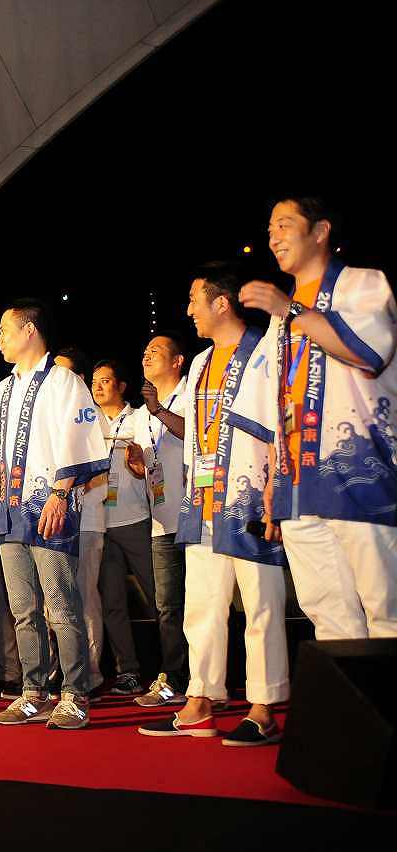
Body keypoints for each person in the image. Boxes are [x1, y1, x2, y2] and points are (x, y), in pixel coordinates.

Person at [139, 262, 289, 746]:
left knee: (261, 602)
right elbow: (193, 430)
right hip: (202, 500)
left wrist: (277, 488)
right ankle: (200, 700)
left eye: (194, 300)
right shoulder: (202, 361)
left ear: (221, 303)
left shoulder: (263, 349)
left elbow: (279, 421)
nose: (189, 310)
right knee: (202, 603)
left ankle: (263, 708)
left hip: (250, 496)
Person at [233, 196, 397, 639]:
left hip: (360, 473)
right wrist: (273, 477)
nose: (273, 237)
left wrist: (290, 309)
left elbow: (369, 352)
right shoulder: (281, 316)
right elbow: (280, 399)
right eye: (270, 229)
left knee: (386, 609)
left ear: (320, 231)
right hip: (299, 485)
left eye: (284, 225)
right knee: (328, 616)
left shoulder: (361, 284)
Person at [0, 299, 108, 730]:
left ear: (29, 330)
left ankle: (75, 694)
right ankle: (33, 693)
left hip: (48, 505)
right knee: (23, 608)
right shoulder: (0, 391)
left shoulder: (64, 381)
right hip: (7, 508)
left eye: (4, 330)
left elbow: (80, 437)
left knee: (61, 605)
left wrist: (60, 492)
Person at [131, 333, 191, 707]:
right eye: (145, 351)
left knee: (204, 602)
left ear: (177, 361)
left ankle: (209, 679)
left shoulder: (192, 394)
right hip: (161, 522)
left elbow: (195, 434)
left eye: (156, 351)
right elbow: (150, 465)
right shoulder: (142, 414)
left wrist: (159, 411)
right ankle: (174, 678)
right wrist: (139, 465)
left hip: (196, 516)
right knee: (167, 606)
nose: (147, 355)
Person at [90, 359, 154, 696]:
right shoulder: (89, 421)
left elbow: (151, 463)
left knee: (159, 597)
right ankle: (127, 670)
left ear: (121, 386)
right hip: (101, 524)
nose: (98, 387)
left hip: (137, 519)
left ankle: (178, 668)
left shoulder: (139, 418)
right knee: (112, 603)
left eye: (105, 381)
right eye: (94, 382)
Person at [52, 348, 102, 694]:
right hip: (52, 522)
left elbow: (95, 471)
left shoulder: (87, 416)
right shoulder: (50, 417)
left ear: (78, 380)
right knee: (53, 602)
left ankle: (90, 672)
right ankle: (62, 669)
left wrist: (65, 486)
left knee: (83, 598)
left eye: (62, 373)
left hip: (86, 521)